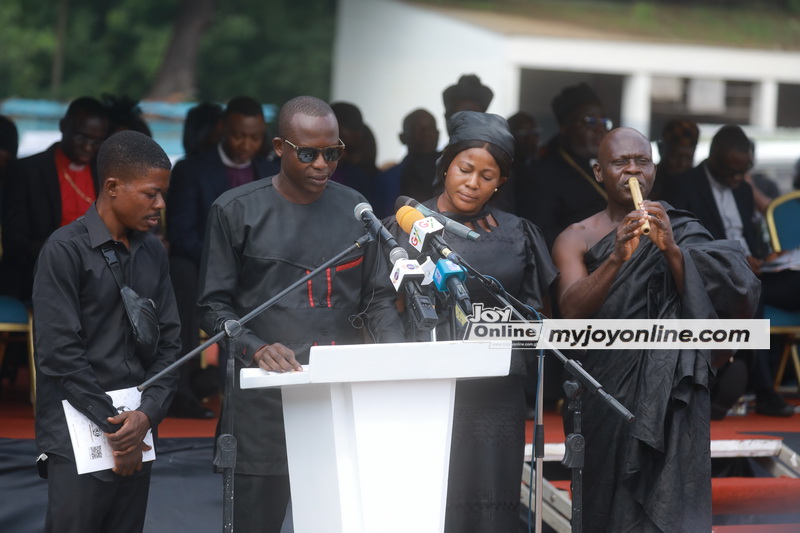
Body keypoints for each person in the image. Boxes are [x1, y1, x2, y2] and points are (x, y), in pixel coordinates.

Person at [197, 95, 405, 532]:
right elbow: (213, 306)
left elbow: (378, 299)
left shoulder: (356, 209)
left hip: (338, 400)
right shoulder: (235, 209)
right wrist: (254, 348)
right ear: (279, 147)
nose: (321, 165)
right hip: (262, 404)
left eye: (333, 153)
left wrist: (398, 357)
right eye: (308, 153)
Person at [551, 127, 760, 532]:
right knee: (606, 500)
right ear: (598, 171)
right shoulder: (575, 237)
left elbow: (732, 295)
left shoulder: (678, 227)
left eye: (641, 162)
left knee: (671, 495)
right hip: (606, 388)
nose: (632, 170)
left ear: (654, 169)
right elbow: (571, 312)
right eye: (620, 162)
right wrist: (615, 258)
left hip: (670, 388)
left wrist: (671, 251)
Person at [385, 111, 557, 532]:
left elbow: (537, 313)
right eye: (465, 169)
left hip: (496, 392)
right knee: (429, 497)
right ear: (446, 166)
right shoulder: (404, 228)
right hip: (426, 387)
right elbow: (381, 308)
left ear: (500, 181)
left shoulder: (518, 234)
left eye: (487, 175)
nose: (473, 182)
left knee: (491, 501)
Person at [32, 130, 180, 533]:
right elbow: (59, 355)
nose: (161, 205)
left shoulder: (153, 251)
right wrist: (119, 428)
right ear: (113, 187)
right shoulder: (64, 250)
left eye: (163, 194)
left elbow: (171, 346)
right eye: (151, 193)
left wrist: (145, 417)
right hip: (79, 433)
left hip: (138, 426)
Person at [663, 124, 798, 417]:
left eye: (744, 170)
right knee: (752, 290)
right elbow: (684, 240)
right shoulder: (685, 186)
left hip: (752, 269)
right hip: (714, 273)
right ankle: (763, 391)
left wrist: (768, 256)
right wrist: (735, 258)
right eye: (731, 172)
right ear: (713, 159)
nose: (737, 178)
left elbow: (749, 235)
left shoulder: (744, 190)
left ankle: (749, 375)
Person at [166, 96, 275, 417]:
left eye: (254, 137)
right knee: (180, 274)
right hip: (203, 266)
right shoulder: (191, 168)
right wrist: (226, 263)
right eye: (239, 135)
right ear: (222, 129)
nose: (246, 144)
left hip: (257, 267)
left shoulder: (272, 171)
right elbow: (180, 233)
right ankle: (179, 391)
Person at [1, 96, 109, 302]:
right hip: (41, 269)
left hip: (98, 272)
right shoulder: (26, 171)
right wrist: (62, 252)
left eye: (96, 141)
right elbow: (14, 241)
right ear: (62, 126)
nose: (88, 147)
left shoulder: (105, 173)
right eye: (82, 138)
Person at [518, 83, 611, 249]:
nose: (600, 128)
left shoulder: (602, 165)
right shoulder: (541, 174)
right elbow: (539, 237)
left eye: (603, 120)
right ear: (565, 127)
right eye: (589, 120)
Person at [377, 108, 440, 216]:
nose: (426, 133)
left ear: (438, 134)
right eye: (417, 129)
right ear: (402, 137)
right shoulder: (388, 178)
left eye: (430, 128)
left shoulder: (450, 170)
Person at [651, 118, 699, 200]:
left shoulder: (698, 184)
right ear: (660, 149)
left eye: (688, 158)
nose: (682, 163)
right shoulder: (648, 182)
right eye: (675, 156)